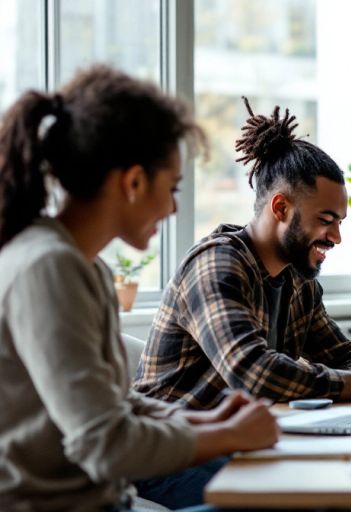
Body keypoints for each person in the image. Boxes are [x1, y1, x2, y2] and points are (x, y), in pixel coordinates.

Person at [0, 65, 279, 511]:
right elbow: (104, 445)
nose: (172, 207)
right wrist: (224, 435)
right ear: (132, 182)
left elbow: (112, 403)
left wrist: (200, 420)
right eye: (172, 187)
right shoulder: (48, 268)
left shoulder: (78, 265)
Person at [134, 98, 351, 410]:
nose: (336, 237)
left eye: (339, 223)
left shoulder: (298, 279)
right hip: (176, 446)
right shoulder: (215, 265)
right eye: (325, 221)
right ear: (280, 207)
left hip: (238, 440)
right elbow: (253, 373)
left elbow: (341, 354)